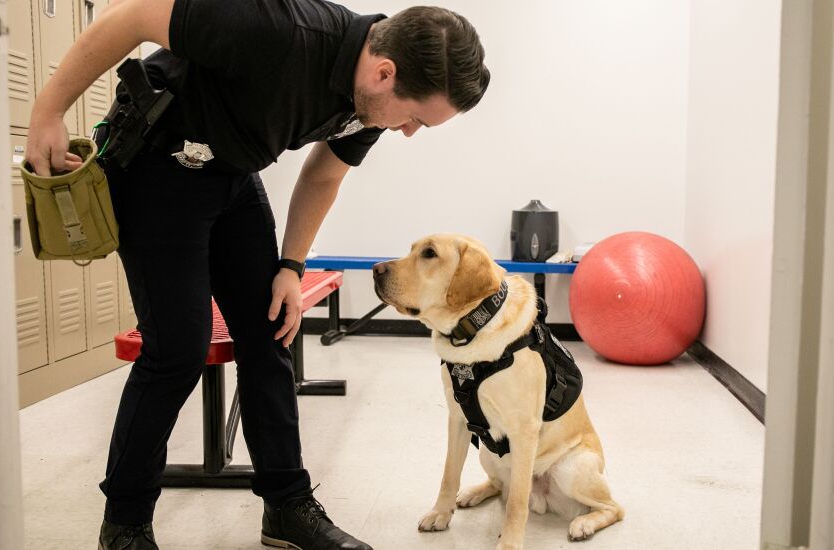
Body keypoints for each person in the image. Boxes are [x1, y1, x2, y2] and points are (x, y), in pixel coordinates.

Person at [25, 0, 489, 548]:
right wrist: (48, 113)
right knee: (176, 350)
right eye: (416, 118)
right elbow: (134, 16)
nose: (408, 132)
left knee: (271, 330)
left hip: (232, 171)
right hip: (158, 165)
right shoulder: (277, 28)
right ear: (384, 73)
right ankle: (125, 522)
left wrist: (291, 266)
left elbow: (324, 175)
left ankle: (286, 506)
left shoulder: (372, 99)